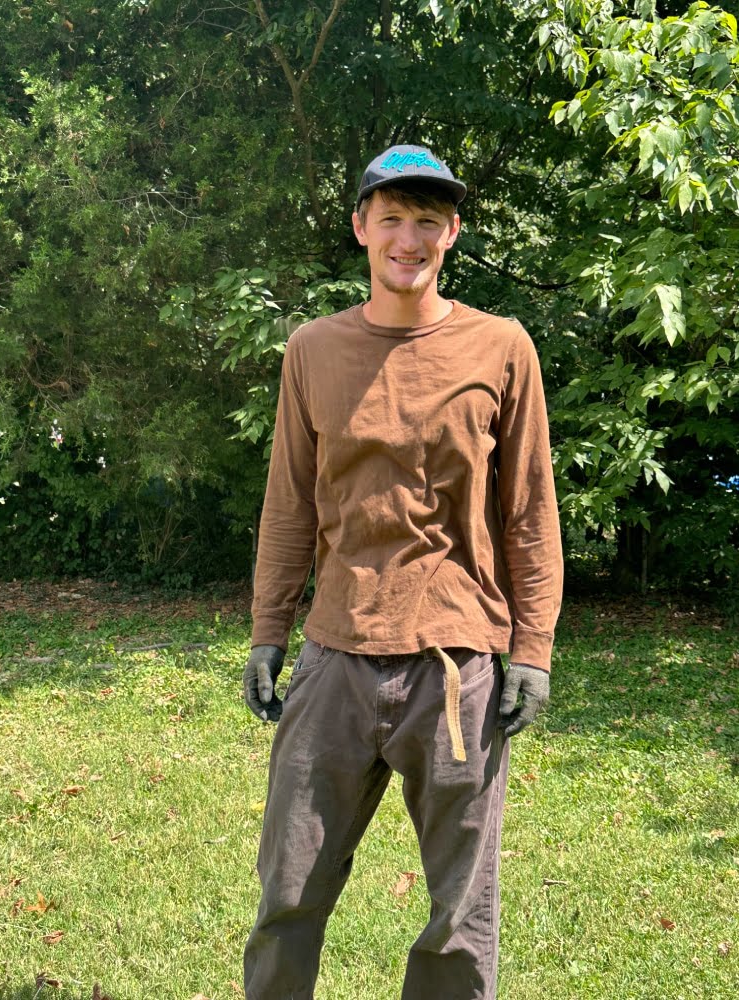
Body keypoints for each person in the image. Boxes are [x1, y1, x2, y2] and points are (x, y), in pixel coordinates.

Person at [242, 144, 564, 1000]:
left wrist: (530, 650)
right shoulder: (313, 351)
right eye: (392, 217)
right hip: (335, 659)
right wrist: (268, 632)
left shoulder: (501, 347)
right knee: (287, 893)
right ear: (361, 227)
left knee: (461, 916)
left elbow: (530, 511)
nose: (408, 238)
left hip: (456, 668)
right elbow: (289, 505)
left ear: (452, 231)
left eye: (428, 220)